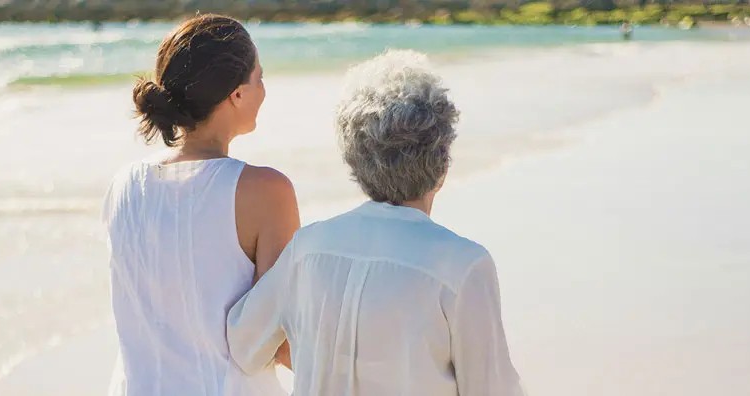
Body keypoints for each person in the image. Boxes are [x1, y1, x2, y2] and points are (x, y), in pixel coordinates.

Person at [227, 50, 524, 395]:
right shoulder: (462, 265)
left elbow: (244, 345)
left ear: (354, 161)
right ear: (442, 163)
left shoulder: (308, 248)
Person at [102, 14, 297, 396]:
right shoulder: (265, 191)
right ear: (236, 94)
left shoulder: (124, 184)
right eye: (260, 78)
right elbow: (279, 340)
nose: (264, 90)